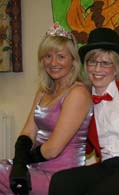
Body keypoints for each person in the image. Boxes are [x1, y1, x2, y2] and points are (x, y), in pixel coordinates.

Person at [49, 27, 119, 195]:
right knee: (61, 181)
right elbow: (79, 141)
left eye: (105, 63)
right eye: (92, 62)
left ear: (116, 67)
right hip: (107, 164)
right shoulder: (83, 97)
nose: (97, 69)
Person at [0, 23, 93, 195]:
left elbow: (52, 149)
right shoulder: (44, 91)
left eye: (61, 56)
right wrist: (19, 164)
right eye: (48, 56)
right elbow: (27, 132)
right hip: (35, 167)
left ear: (73, 60)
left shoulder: (78, 93)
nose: (53, 63)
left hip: (61, 177)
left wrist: (20, 164)